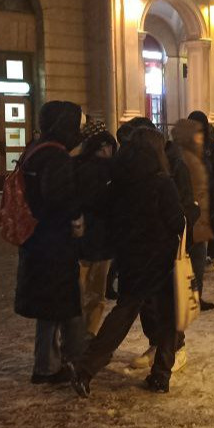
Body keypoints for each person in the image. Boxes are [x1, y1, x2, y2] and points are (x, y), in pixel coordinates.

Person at [72, 126, 185, 395]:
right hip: (162, 259)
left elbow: (104, 210)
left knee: (123, 314)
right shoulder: (161, 182)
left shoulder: (120, 181)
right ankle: (160, 375)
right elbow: (177, 220)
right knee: (169, 319)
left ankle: (87, 368)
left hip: (131, 258)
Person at [14, 101, 88, 385]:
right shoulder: (56, 157)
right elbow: (59, 198)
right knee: (61, 303)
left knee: (53, 306)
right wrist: (76, 217)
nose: (79, 131)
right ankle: (53, 365)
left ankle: (57, 360)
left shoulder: (34, 149)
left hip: (36, 238)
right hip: (54, 241)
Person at [76, 121, 116, 337]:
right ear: (103, 147)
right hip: (100, 240)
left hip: (77, 239)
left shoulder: (74, 165)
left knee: (78, 292)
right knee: (95, 292)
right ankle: (88, 333)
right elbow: (107, 203)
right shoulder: (109, 171)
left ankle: (73, 335)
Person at [174, 118, 214, 311]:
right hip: (191, 218)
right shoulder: (183, 160)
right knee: (192, 260)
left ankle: (194, 296)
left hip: (198, 217)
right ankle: (189, 297)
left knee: (197, 261)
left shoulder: (193, 157)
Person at [189, 111, 214, 272]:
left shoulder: (213, 147)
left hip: (209, 196)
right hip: (191, 196)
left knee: (211, 225)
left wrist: (208, 186)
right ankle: (194, 257)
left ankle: (213, 255)